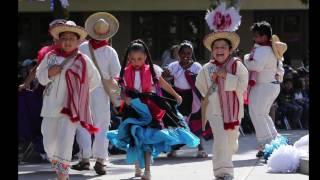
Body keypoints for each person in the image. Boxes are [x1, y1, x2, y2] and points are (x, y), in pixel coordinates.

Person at [106, 39, 200, 180]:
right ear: (128, 58)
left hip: (149, 107)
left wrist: (176, 94)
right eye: (132, 59)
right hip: (132, 108)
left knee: (147, 138)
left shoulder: (153, 70)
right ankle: (138, 165)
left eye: (139, 59)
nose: (136, 62)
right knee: (134, 137)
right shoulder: (125, 72)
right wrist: (122, 99)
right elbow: (122, 89)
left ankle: (148, 171)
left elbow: (162, 84)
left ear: (145, 57)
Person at [36, 20, 101, 180]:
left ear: (78, 41)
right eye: (64, 38)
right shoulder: (50, 57)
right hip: (50, 107)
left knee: (66, 141)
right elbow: (40, 75)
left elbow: (95, 80)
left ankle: (63, 176)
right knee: (48, 142)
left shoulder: (83, 59)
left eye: (72, 38)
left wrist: (79, 94)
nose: (67, 41)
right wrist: (49, 73)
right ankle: (59, 166)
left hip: (70, 110)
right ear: (58, 40)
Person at [195, 4, 248, 180]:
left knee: (230, 143)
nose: (219, 50)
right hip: (215, 111)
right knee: (220, 142)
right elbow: (201, 85)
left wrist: (227, 77)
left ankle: (224, 165)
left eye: (223, 47)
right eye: (216, 47)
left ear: (230, 49)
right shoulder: (206, 68)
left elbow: (242, 86)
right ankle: (223, 173)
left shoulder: (237, 65)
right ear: (212, 50)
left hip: (234, 111)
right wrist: (212, 96)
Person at [71, 12, 121, 175]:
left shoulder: (81, 47)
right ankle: (100, 159)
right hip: (101, 90)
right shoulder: (110, 51)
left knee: (83, 123)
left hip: (83, 88)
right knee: (101, 124)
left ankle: (85, 158)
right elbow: (116, 74)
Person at [243, 21, 287, 158]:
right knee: (262, 114)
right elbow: (280, 70)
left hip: (264, 86)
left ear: (264, 36)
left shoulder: (264, 49)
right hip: (270, 85)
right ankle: (274, 142)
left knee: (257, 114)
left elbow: (256, 66)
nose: (254, 38)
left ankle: (267, 145)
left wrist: (244, 58)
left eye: (256, 36)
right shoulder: (271, 48)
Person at [162, 40, 212, 158]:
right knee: (178, 123)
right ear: (178, 54)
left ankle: (200, 148)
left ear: (191, 54)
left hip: (193, 98)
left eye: (188, 53)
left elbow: (202, 82)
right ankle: (174, 149)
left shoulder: (196, 66)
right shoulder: (174, 66)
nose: (186, 56)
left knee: (195, 123)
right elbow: (164, 77)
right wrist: (166, 73)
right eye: (183, 53)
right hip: (178, 97)